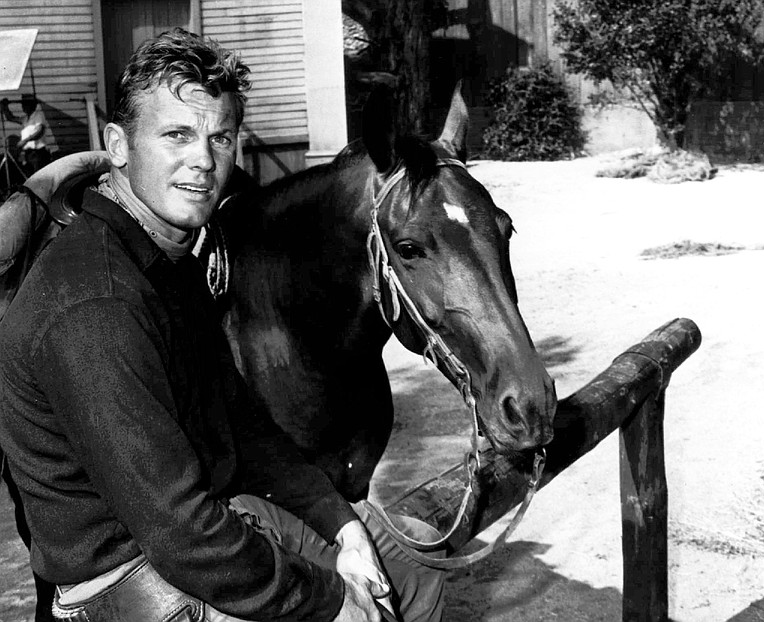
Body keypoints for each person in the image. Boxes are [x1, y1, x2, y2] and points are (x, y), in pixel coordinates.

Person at [0, 28, 444, 622]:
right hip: (127, 580)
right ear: (119, 144)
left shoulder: (165, 259)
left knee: (416, 588)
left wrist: (340, 522)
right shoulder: (97, 302)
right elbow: (180, 531)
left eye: (220, 137)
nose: (204, 160)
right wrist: (330, 601)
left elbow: (240, 421)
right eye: (177, 135)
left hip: (208, 523)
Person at [0, 94, 52, 176]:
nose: (23, 107)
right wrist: (5, 107)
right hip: (29, 154)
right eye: (22, 104)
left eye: (25, 104)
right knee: (30, 176)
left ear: (32, 105)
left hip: (37, 154)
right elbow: (10, 118)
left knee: (37, 176)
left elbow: (40, 131)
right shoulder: (25, 119)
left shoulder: (38, 115)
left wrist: (25, 140)